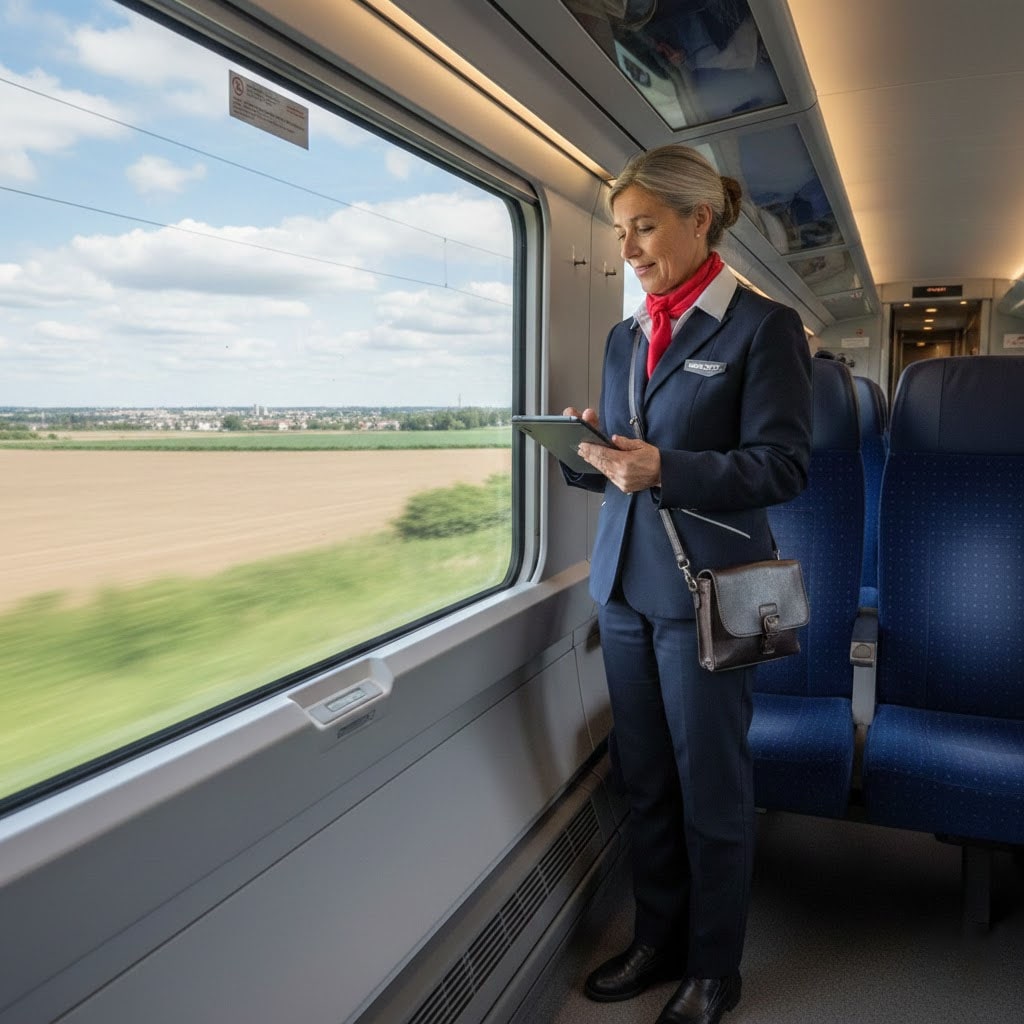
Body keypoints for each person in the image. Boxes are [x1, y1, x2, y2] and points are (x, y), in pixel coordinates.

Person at [562, 144, 812, 1024]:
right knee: (646, 779)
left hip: (710, 593)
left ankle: (715, 967)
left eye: (645, 226)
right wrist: (589, 456)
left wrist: (670, 467)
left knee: (711, 785)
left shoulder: (761, 326)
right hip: (625, 589)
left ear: (698, 219)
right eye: (620, 231)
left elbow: (782, 468)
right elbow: (633, 464)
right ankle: (657, 938)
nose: (628, 248)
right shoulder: (624, 336)